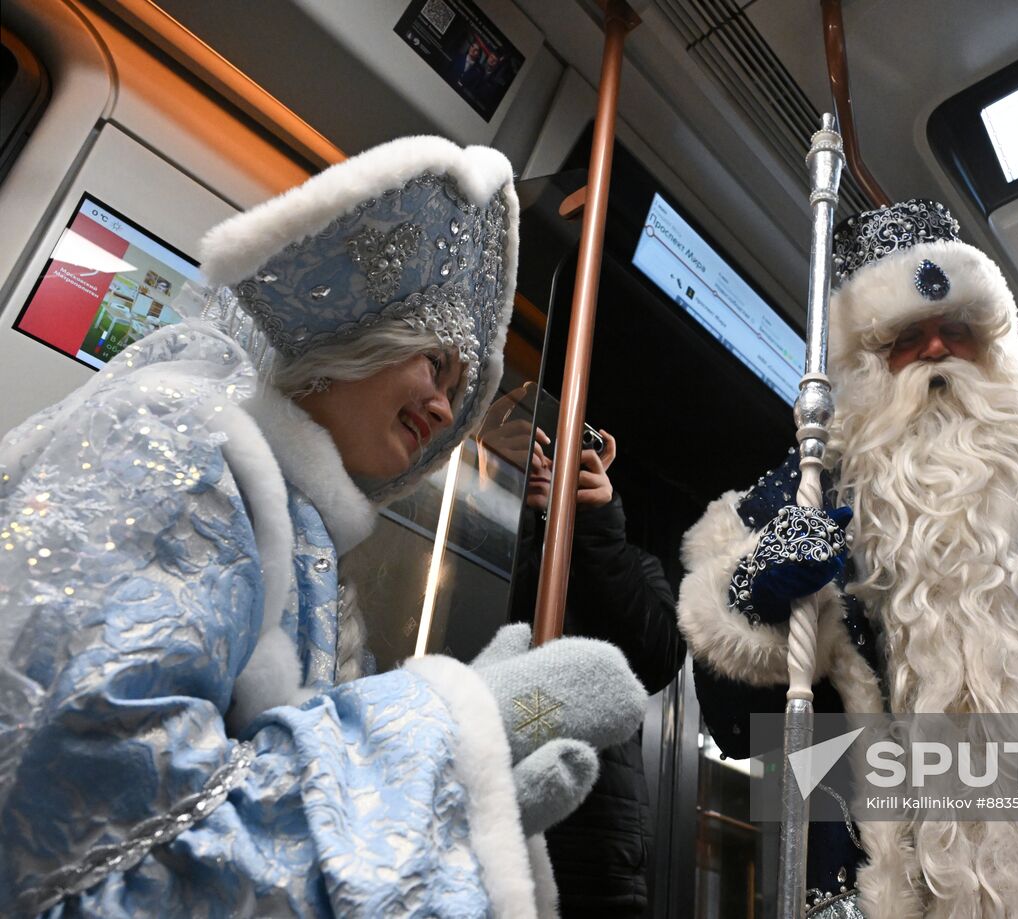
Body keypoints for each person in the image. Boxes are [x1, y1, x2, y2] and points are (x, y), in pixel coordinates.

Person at [0, 136, 648, 917]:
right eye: (433, 363)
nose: (443, 407)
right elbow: (73, 856)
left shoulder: (308, 555)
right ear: (361, 336)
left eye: (457, 391)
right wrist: (445, 730)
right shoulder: (181, 450)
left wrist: (458, 798)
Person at [676, 199, 1018, 918]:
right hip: (887, 875)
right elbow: (732, 723)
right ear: (867, 359)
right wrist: (753, 601)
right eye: (908, 336)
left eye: (958, 328)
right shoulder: (811, 487)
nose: (938, 349)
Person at [505, 424, 685, 917]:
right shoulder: (492, 538)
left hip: (597, 837)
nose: (543, 466)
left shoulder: (628, 559)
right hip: (498, 808)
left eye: (556, 455)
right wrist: (515, 503)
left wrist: (598, 526)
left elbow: (659, 658)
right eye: (535, 453)